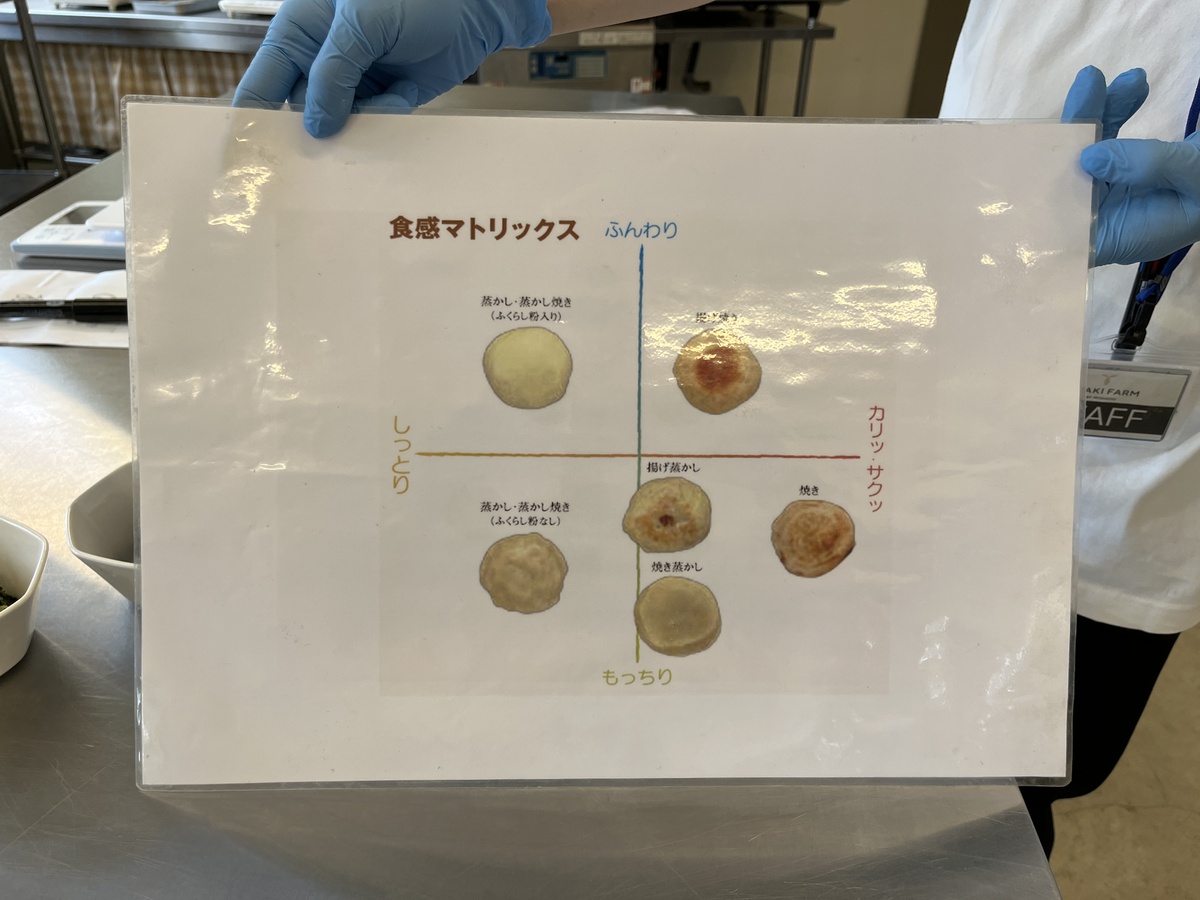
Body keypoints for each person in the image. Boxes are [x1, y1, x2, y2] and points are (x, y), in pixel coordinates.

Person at [234, 0, 1200, 857]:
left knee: (1015, 772)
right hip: (958, 289)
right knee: (848, 696)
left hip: (1149, 451)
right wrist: (512, 0)